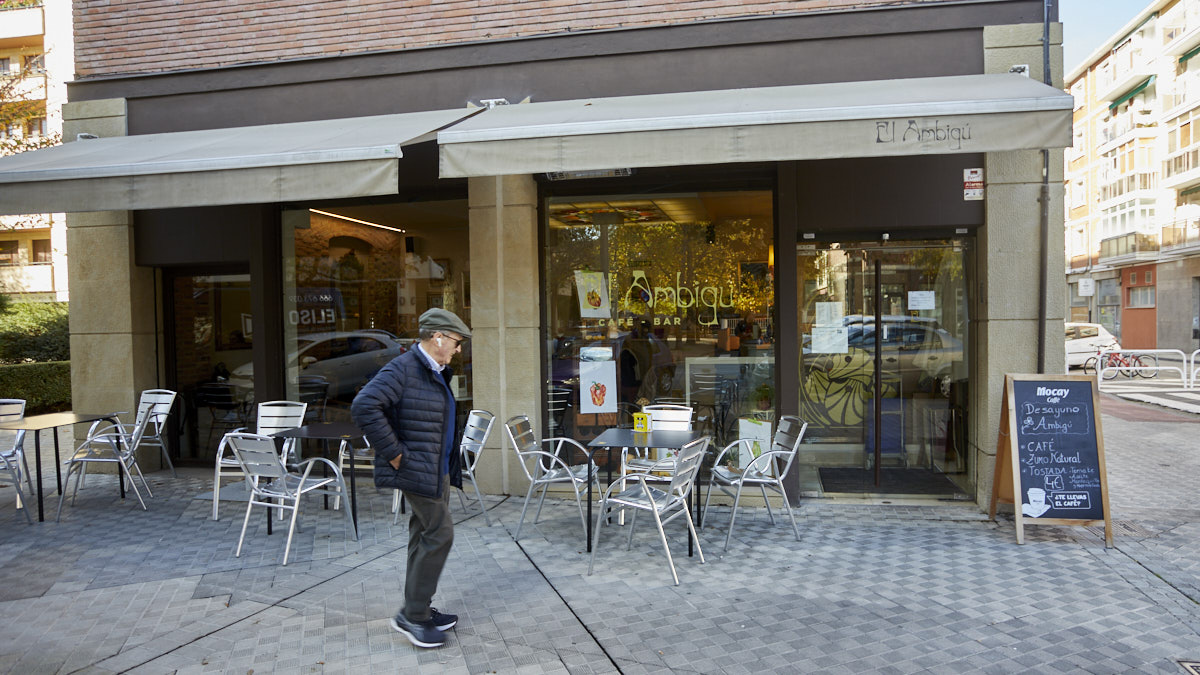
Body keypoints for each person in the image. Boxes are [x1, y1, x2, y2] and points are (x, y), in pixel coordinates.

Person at [351, 307, 470, 649]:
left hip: (435, 469)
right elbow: (364, 407)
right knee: (440, 533)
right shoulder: (403, 369)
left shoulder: (433, 369)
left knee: (423, 534)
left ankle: (419, 607)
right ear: (438, 338)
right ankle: (412, 616)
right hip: (416, 469)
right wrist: (395, 453)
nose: (458, 349)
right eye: (456, 343)